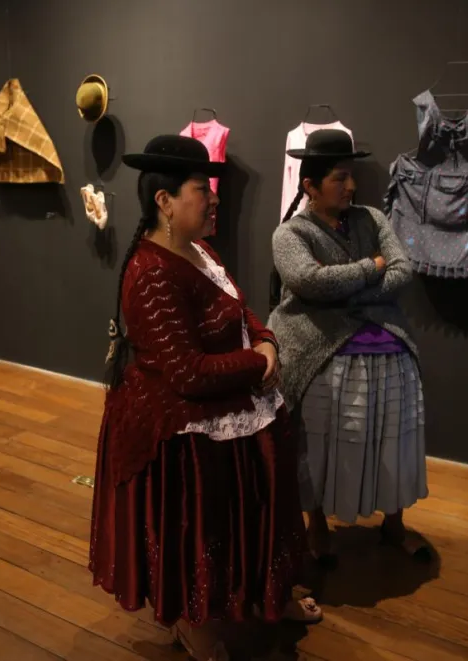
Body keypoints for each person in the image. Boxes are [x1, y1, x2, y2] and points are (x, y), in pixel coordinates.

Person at [89, 135, 321, 661]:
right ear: (165, 201)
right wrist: (259, 361)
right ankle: (192, 620)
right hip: (180, 423)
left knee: (264, 507)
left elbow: (239, 308)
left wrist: (266, 339)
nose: (214, 198)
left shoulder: (198, 249)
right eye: (202, 189)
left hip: (229, 400)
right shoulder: (148, 274)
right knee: (200, 529)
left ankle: (269, 591)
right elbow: (187, 373)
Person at [267, 129, 430, 566]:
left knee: (391, 440)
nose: (352, 187)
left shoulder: (372, 219)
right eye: (340, 178)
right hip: (320, 351)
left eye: (351, 176)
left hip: (388, 349)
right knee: (317, 445)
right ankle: (316, 524)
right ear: (310, 187)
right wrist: (369, 269)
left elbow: (402, 270)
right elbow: (307, 281)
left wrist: (347, 288)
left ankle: (393, 523)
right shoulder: (289, 235)